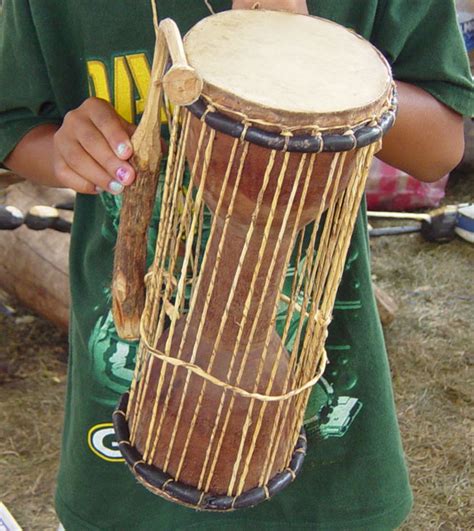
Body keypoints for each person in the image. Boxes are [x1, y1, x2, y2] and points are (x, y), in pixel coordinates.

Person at [0, 0, 472, 529]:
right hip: (136, 396)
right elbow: (16, 127)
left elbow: (441, 147)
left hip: (315, 405)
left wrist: (313, 51)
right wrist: (65, 150)